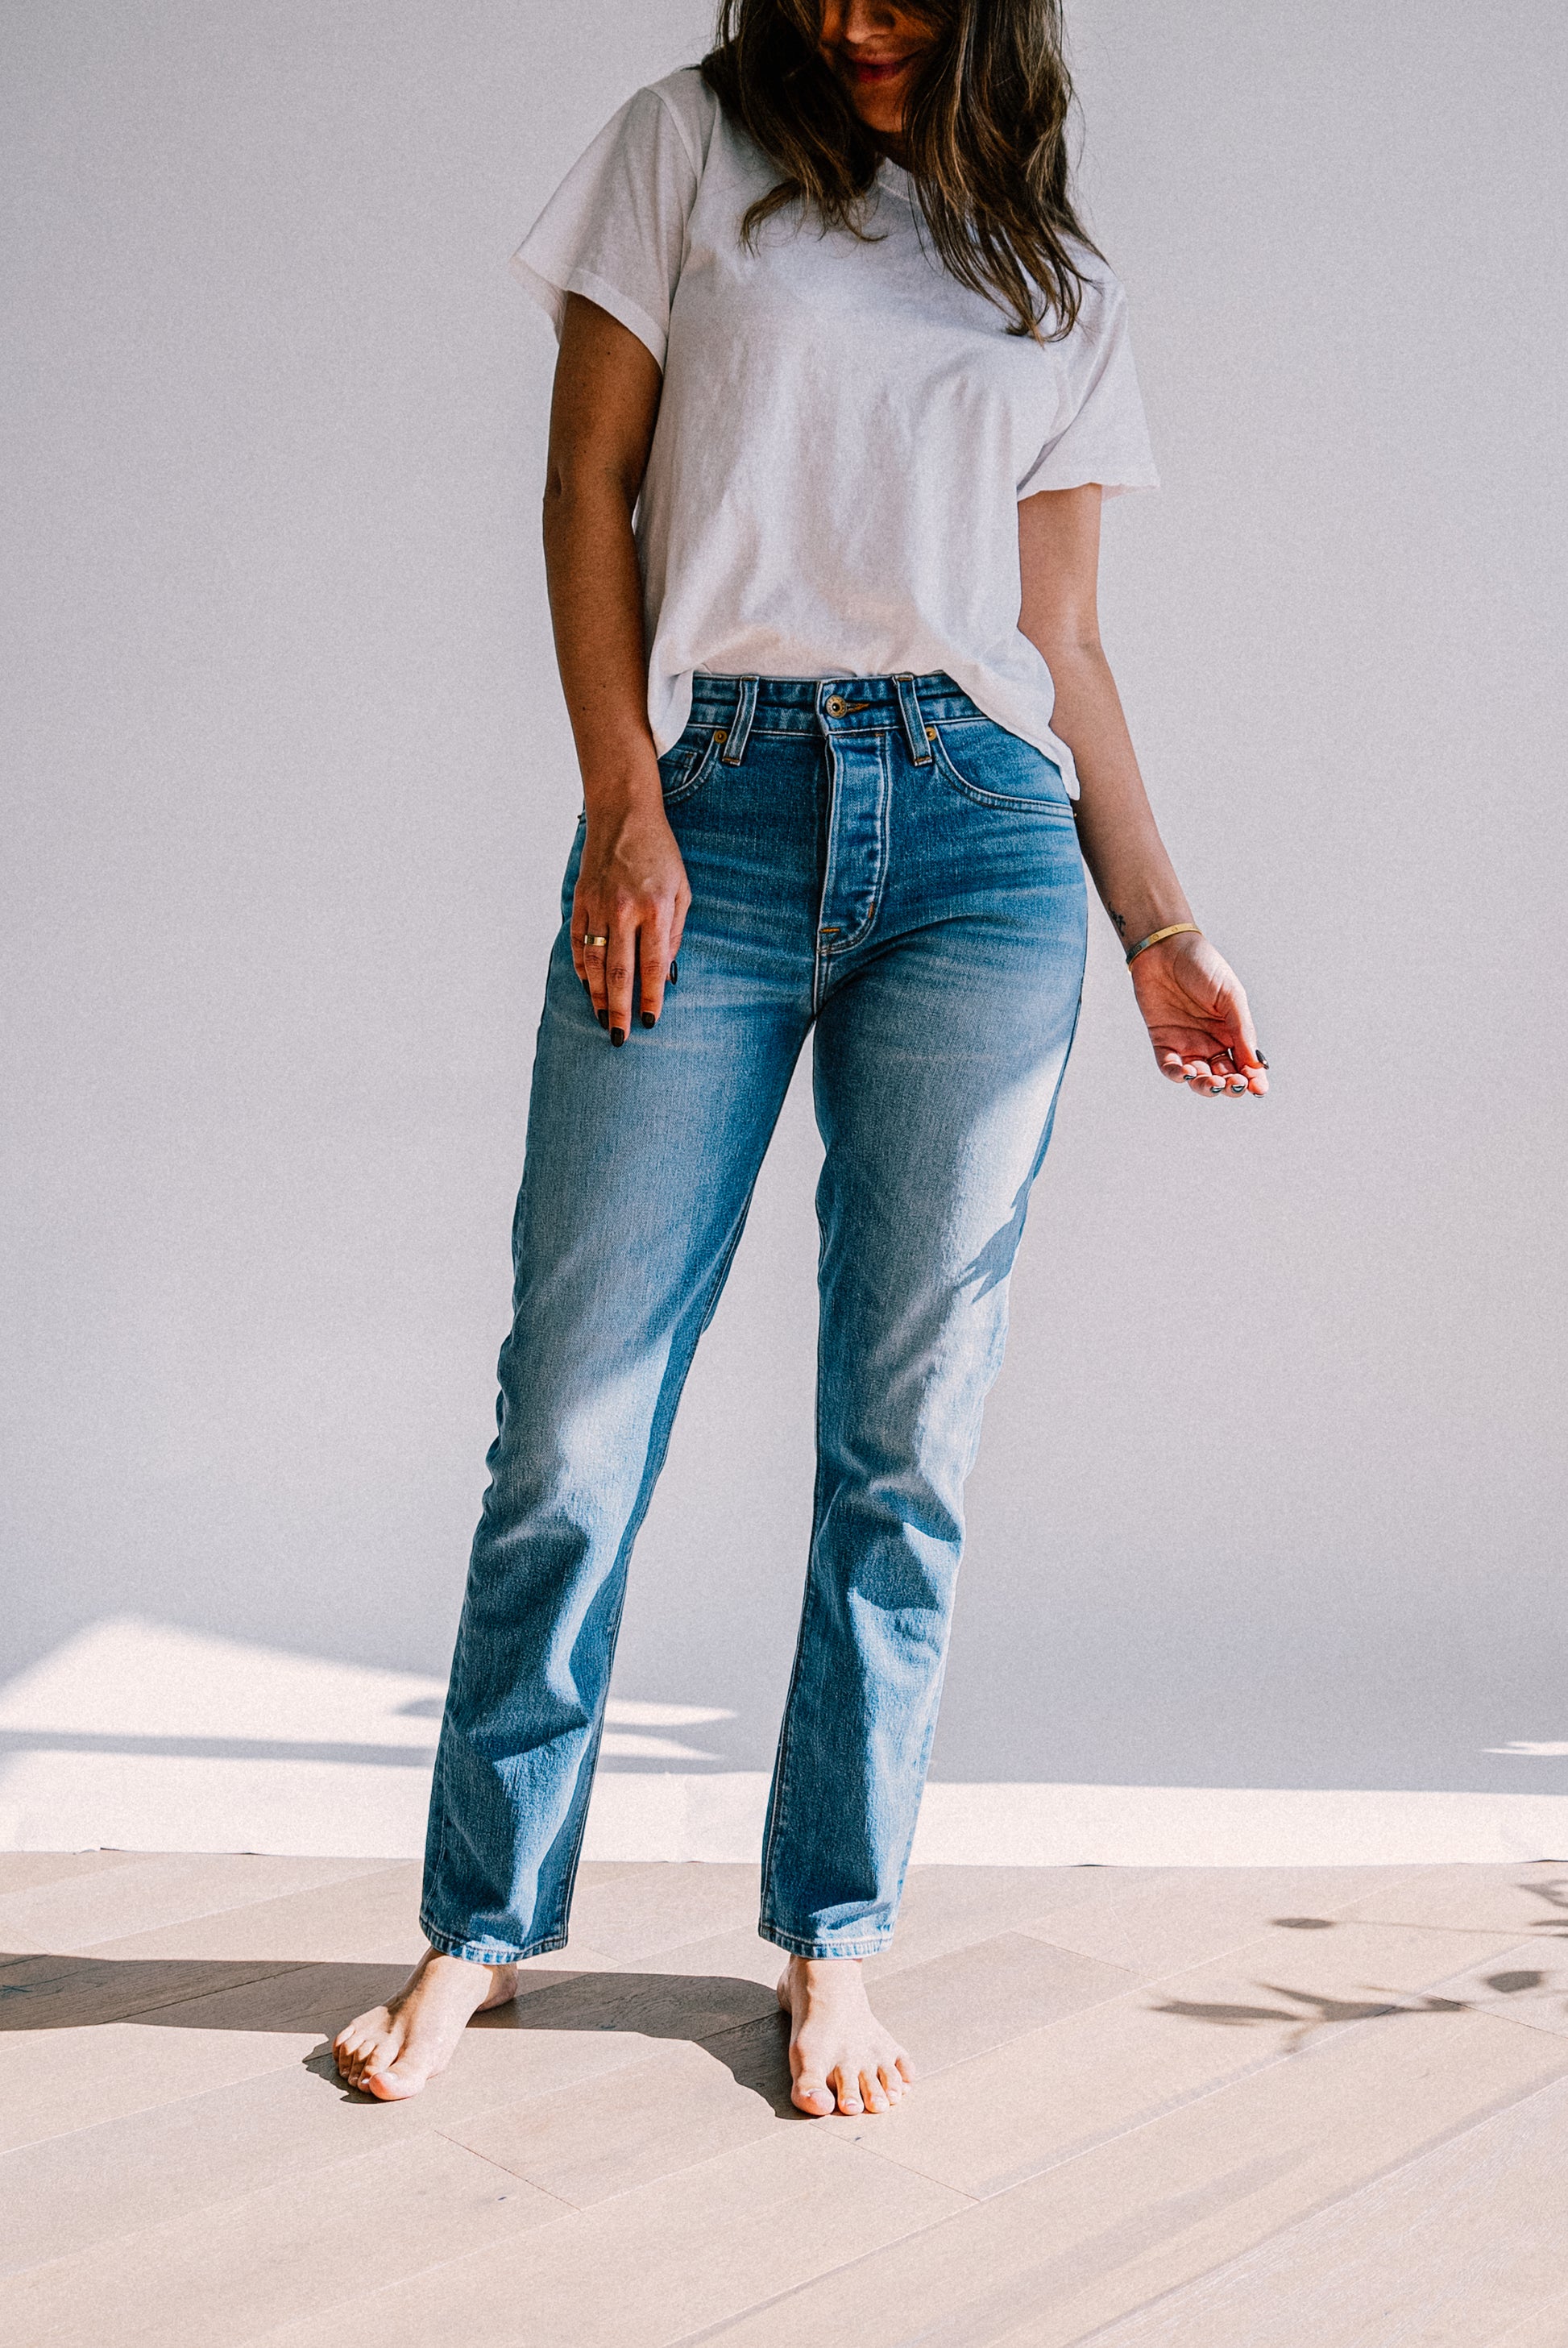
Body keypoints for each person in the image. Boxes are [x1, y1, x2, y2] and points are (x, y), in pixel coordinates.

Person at [334, 0, 1267, 2114]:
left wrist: (1160, 923)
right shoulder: (681, 146)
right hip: (713, 810)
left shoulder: (1053, 265)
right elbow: (585, 489)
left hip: (979, 844)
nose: (857, 16)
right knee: (569, 1421)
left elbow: (1065, 640)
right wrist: (621, 804)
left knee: (902, 1433)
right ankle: (480, 1921)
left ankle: (830, 1935)